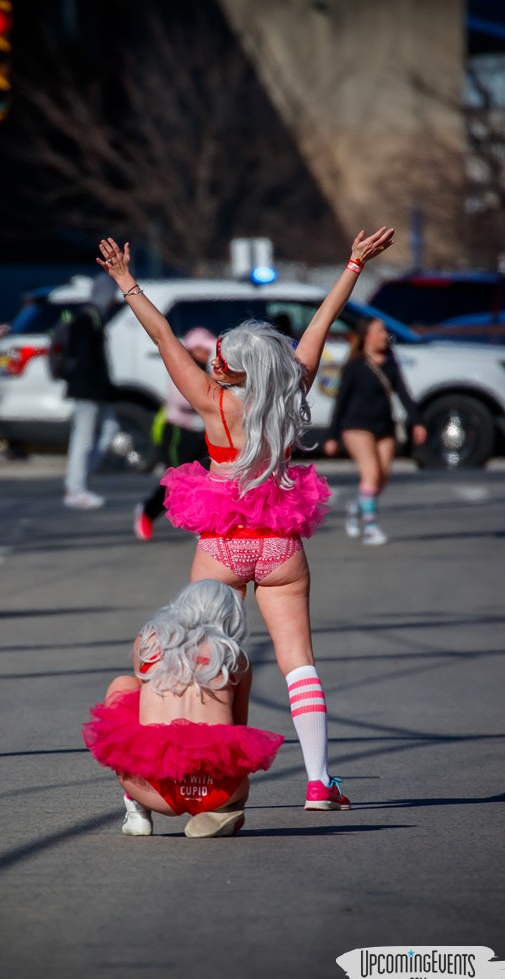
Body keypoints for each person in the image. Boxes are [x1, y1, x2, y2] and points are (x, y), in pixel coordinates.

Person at [96, 227, 395, 810]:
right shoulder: (289, 391)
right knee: (298, 663)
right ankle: (318, 782)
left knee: (194, 655)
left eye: (219, 358)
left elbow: (162, 339)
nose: (212, 360)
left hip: (223, 543)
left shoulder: (212, 401)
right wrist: (353, 265)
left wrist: (127, 283)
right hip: (281, 542)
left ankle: (192, 771)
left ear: (230, 370)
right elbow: (319, 328)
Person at [82, 579, 283, 838]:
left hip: (155, 789)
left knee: (124, 685)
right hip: (217, 789)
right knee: (233, 765)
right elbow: (238, 728)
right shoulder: (236, 658)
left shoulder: (150, 641)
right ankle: (223, 809)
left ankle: (137, 807)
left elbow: (142, 697)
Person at [323, 316, 427, 545]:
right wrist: (331, 436)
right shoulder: (355, 365)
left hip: (384, 427)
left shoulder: (390, 362)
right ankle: (370, 528)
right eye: (379, 332)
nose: (384, 336)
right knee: (370, 474)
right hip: (356, 427)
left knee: (382, 477)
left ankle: (357, 504)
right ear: (366, 336)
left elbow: (404, 394)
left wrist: (417, 421)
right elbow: (340, 401)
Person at [134, 326, 216, 541]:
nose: (206, 354)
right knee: (176, 482)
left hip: (202, 434)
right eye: (202, 349)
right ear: (192, 349)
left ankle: (201, 524)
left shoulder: (209, 370)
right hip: (178, 433)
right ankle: (146, 511)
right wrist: (209, 398)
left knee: (205, 480)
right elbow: (182, 401)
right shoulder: (182, 368)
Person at [63, 274, 120, 510]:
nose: (113, 300)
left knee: (109, 431)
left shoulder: (93, 317)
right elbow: (88, 361)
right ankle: (76, 489)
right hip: (88, 390)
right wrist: (103, 386)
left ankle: (81, 483)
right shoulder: (88, 319)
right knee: (83, 439)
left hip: (93, 389)